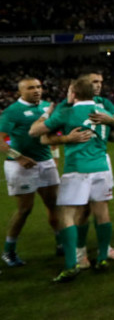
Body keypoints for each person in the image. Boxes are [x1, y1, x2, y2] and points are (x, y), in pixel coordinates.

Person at [29, 77, 114, 282]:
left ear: (74, 94)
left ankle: (72, 265)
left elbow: (35, 132)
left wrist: (50, 112)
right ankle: (103, 257)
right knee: (102, 212)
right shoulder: (103, 112)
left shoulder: (67, 112)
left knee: (66, 215)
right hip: (101, 168)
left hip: (77, 168)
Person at [55, 70, 114, 266]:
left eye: (100, 82)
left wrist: (111, 122)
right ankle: (81, 253)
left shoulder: (105, 103)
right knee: (84, 209)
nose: (98, 85)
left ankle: (104, 249)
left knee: (100, 205)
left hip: (101, 159)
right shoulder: (68, 107)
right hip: (82, 161)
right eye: (94, 82)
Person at [0, 77, 67, 267]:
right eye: (31, 88)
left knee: (54, 204)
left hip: (46, 163)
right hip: (20, 165)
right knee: (24, 209)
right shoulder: (12, 111)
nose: (36, 90)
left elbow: (51, 133)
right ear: (20, 91)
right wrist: (18, 157)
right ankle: (9, 251)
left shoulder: (47, 107)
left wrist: (54, 155)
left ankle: (61, 242)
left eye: (39, 86)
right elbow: (0, 139)